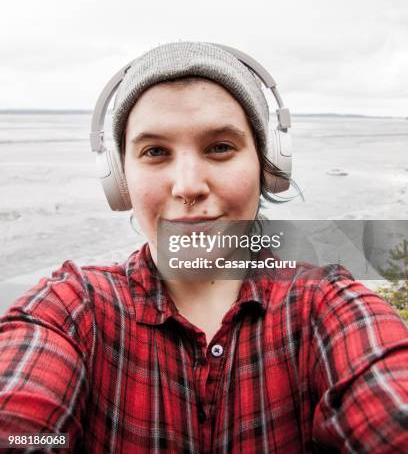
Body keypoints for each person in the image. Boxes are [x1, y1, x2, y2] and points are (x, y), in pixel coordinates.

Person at [0, 41, 407, 453]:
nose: (189, 185)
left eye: (220, 147)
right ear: (120, 179)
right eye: (155, 152)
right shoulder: (74, 308)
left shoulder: (324, 304)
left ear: (270, 166)